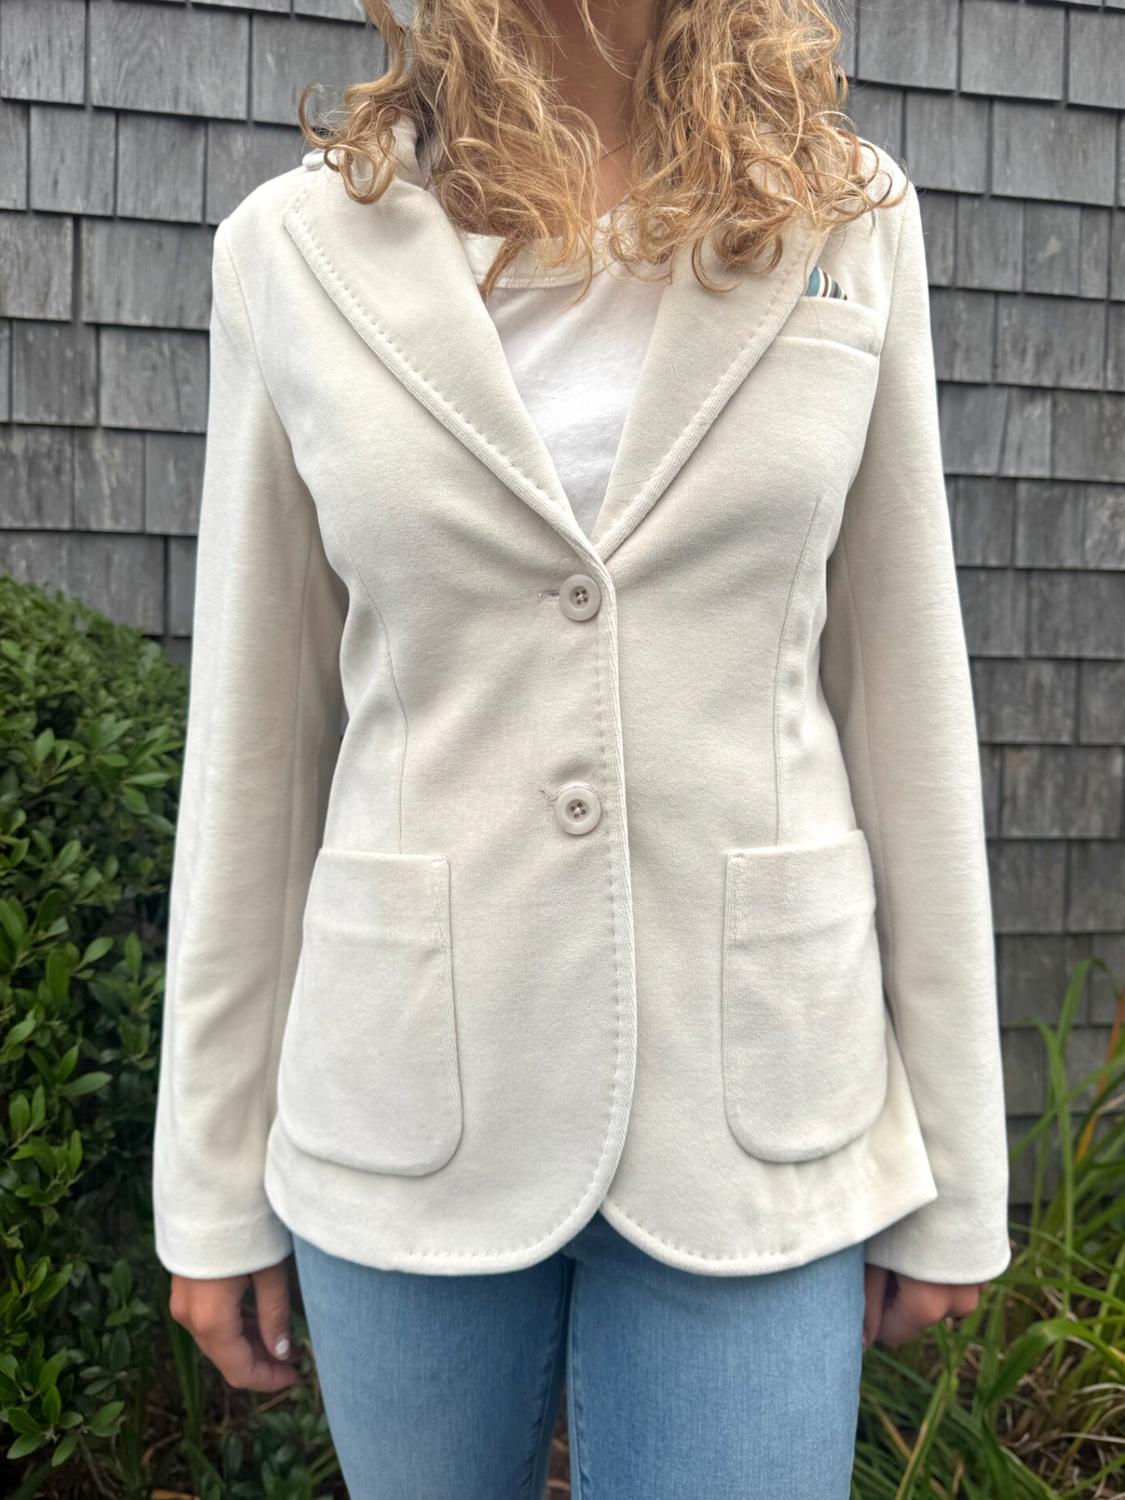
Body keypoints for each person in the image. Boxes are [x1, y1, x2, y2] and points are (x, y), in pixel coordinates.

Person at [152, 0, 1012, 1493]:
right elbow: (254, 750)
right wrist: (211, 1182)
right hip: (409, 1094)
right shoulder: (291, 253)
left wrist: (957, 1172)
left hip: (756, 1099)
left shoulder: (848, 218)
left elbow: (904, 699)